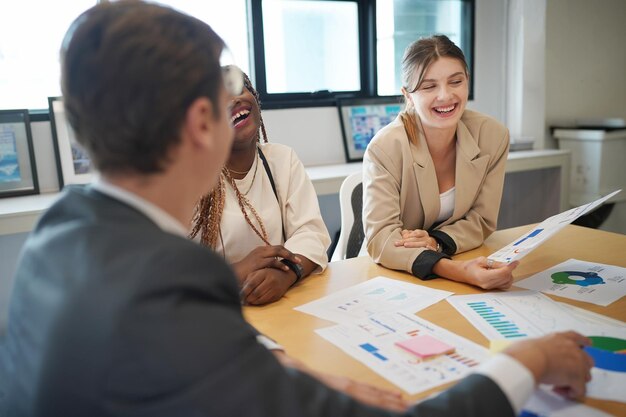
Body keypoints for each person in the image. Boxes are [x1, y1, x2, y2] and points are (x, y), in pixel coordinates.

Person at [1, 3, 592, 417]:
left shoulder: (61, 232)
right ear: (201, 124)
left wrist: (294, 378)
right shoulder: (168, 291)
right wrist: (527, 360)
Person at [363, 35, 517, 290]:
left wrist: (435, 243)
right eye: (428, 86)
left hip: (455, 258)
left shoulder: (492, 136)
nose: (445, 96)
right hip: (394, 275)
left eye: (456, 81)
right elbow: (381, 238)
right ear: (408, 96)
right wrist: (455, 270)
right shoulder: (385, 147)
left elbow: (481, 220)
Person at [190, 73, 331, 305]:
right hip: (213, 312)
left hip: (277, 307)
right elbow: (173, 273)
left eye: (240, 88)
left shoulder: (282, 159)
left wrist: (285, 274)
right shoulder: (192, 178)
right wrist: (238, 272)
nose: (234, 100)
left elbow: (311, 233)